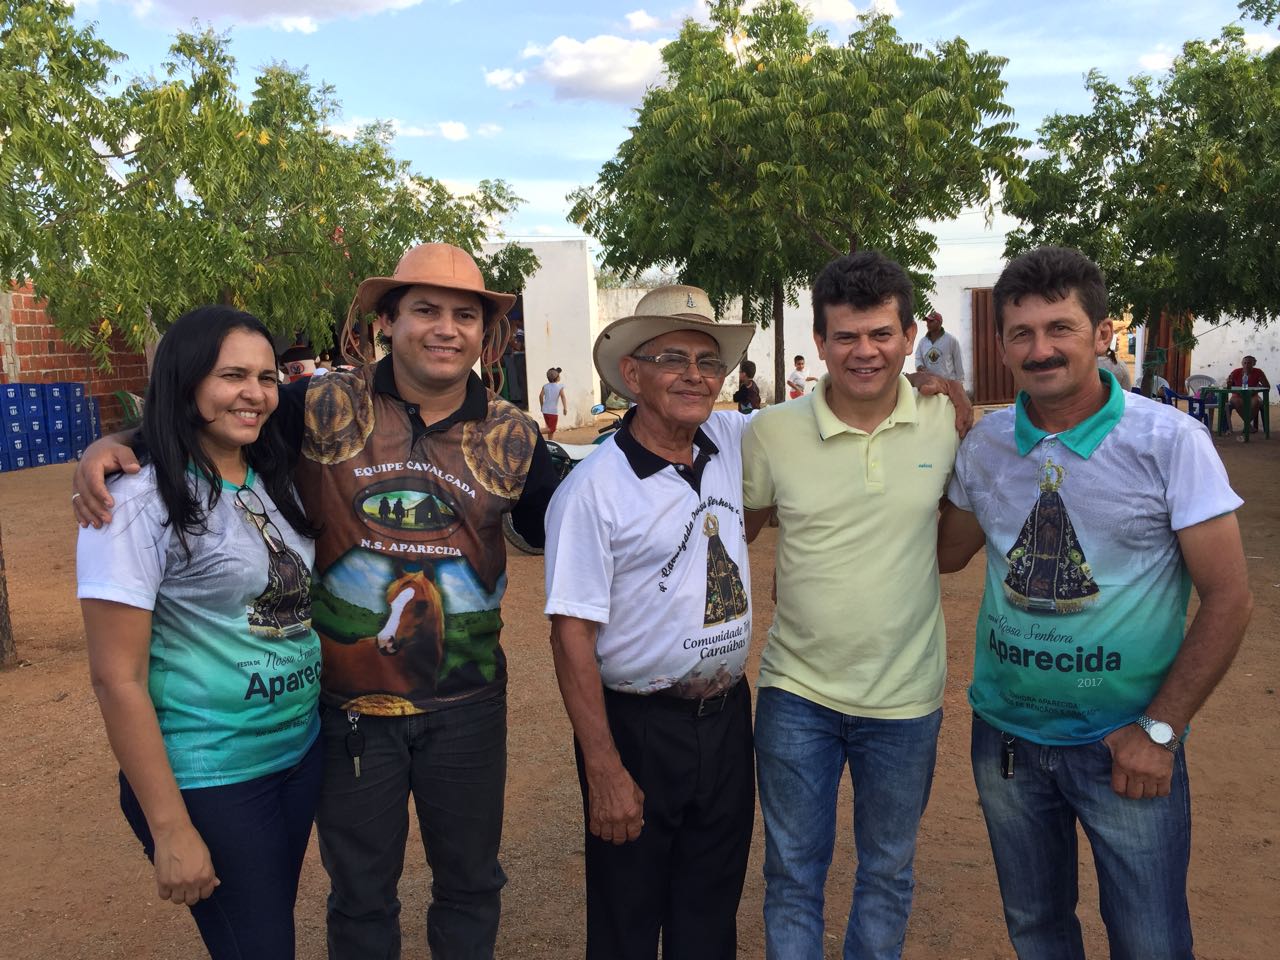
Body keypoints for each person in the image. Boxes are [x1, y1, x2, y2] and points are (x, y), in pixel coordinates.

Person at [73, 243, 560, 960]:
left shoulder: (518, 435)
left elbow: (584, 515)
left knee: (471, 884)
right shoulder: (317, 404)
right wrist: (118, 443)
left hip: (468, 708)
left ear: (487, 334)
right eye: (424, 310)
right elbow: (214, 417)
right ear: (387, 321)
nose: (446, 329)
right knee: (361, 896)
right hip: (347, 712)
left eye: (465, 315)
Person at [937, 246, 1251, 959]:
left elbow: (1230, 599)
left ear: (1102, 334)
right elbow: (945, 553)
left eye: (1060, 328)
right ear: (1003, 344)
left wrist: (1161, 731)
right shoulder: (984, 447)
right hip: (1008, 743)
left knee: (1150, 941)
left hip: (1125, 744)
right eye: (1021, 333)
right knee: (1038, 931)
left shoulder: (1169, 442)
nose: (1040, 349)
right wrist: (914, 426)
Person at [76, 306, 323, 959]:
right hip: (212, 776)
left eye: (267, 377)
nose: (255, 393)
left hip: (296, 755)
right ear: (185, 383)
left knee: (265, 931)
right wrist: (170, 829)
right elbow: (115, 677)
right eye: (231, 375)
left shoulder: (262, 469)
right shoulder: (135, 501)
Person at [742, 251, 962, 960]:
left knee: (888, 874)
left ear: (907, 337)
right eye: (846, 336)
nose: (864, 352)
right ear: (820, 341)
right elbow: (734, 531)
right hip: (795, 693)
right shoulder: (770, 434)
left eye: (880, 335)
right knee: (792, 876)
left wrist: (955, 396)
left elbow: (960, 537)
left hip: (905, 699)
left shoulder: (946, 421)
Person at [543, 285, 757, 959]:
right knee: (626, 917)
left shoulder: (726, 439)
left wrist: (927, 391)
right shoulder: (592, 490)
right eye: (673, 357)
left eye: (708, 360)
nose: (695, 374)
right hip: (640, 727)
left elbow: (827, 412)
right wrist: (604, 768)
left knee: (710, 908)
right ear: (632, 375)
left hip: (726, 719)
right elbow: (570, 632)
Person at [914, 309, 965, 383]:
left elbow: (958, 361)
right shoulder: (923, 342)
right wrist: (919, 366)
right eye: (927, 321)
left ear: (940, 323)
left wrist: (960, 382)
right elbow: (918, 358)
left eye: (931, 321)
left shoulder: (951, 340)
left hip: (948, 384)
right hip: (929, 382)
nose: (928, 324)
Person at [1226, 354, 1270, 434]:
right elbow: (1228, 388)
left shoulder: (1258, 372)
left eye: (1249, 363)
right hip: (1237, 395)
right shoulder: (1236, 372)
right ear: (1242, 364)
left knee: (1256, 402)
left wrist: (1261, 382)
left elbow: (1267, 387)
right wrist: (1228, 383)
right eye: (1245, 363)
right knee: (1236, 401)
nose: (1246, 365)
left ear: (1254, 364)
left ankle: (1246, 425)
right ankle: (1248, 425)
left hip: (1253, 395)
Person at [540, 366, 568, 438]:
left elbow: (540, 396)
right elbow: (563, 397)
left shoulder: (545, 386)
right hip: (553, 411)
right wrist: (565, 408)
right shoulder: (559, 387)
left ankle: (550, 442)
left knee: (549, 427)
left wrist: (542, 406)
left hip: (545, 410)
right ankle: (536, 432)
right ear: (557, 377)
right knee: (552, 429)